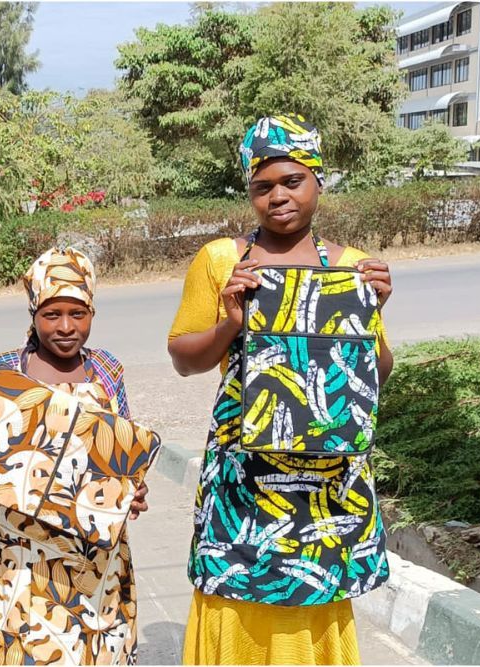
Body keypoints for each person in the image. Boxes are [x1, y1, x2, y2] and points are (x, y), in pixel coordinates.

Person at [167, 114, 395, 665]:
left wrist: (369, 319)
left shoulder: (349, 268)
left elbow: (379, 374)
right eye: (262, 187)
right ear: (249, 192)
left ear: (318, 180)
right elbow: (183, 359)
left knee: (313, 588)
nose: (278, 197)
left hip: (325, 473)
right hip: (245, 472)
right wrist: (229, 322)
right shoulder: (224, 261)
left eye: (292, 181)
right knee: (233, 588)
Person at [0, 248, 148, 665]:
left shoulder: (107, 371)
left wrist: (133, 488)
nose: (66, 327)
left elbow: (121, 445)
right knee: (21, 641)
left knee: (94, 643)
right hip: (19, 546)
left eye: (78, 314)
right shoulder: (3, 371)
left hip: (93, 545)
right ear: (33, 313)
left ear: (92, 313)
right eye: (52, 314)